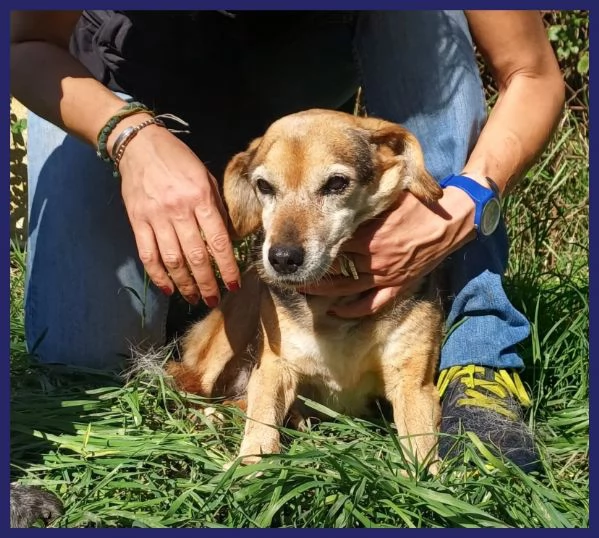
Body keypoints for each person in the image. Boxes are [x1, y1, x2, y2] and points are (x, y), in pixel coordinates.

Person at [10, 10, 565, 472]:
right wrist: (128, 136)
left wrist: (464, 202)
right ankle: (225, 333)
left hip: (300, 102)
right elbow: (23, 45)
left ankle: (478, 353)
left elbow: (533, 74)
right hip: (114, 90)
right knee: (81, 360)